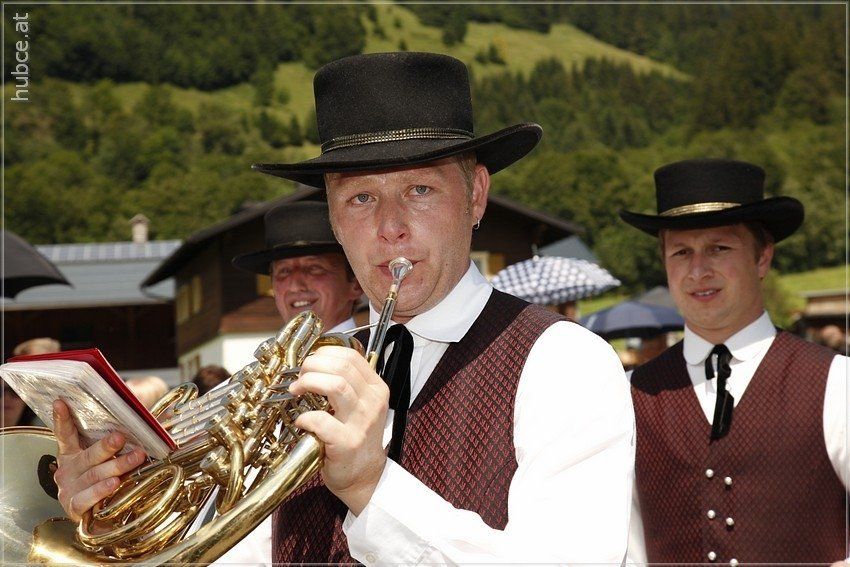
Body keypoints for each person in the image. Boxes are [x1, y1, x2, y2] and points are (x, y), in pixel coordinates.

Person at [49, 52, 634, 564]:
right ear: (332, 217)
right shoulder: (293, 378)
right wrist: (116, 509)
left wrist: (372, 487)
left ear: (475, 195)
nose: (390, 227)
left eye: (420, 190)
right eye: (360, 198)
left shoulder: (565, 362)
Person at [620, 158, 849, 565]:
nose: (698, 271)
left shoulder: (836, 383)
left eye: (718, 249)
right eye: (681, 252)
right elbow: (625, 547)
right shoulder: (629, 394)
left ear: (762, 257)